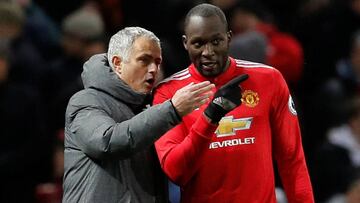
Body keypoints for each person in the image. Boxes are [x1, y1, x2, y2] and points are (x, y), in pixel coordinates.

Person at [153, 3, 314, 203]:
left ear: (229, 38)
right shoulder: (168, 92)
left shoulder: (269, 80)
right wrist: (210, 118)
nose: (207, 52)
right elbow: (176, 172)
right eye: (198, 44)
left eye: (216, 41)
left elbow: (292, 160)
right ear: (185, 43)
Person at [62, 26, 215, 203]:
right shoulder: (86, 101)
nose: (153, 69)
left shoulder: (152, 108)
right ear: (118, 63)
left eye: (157, 62)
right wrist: (172, 110)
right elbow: (107, 141)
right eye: (144, 60)